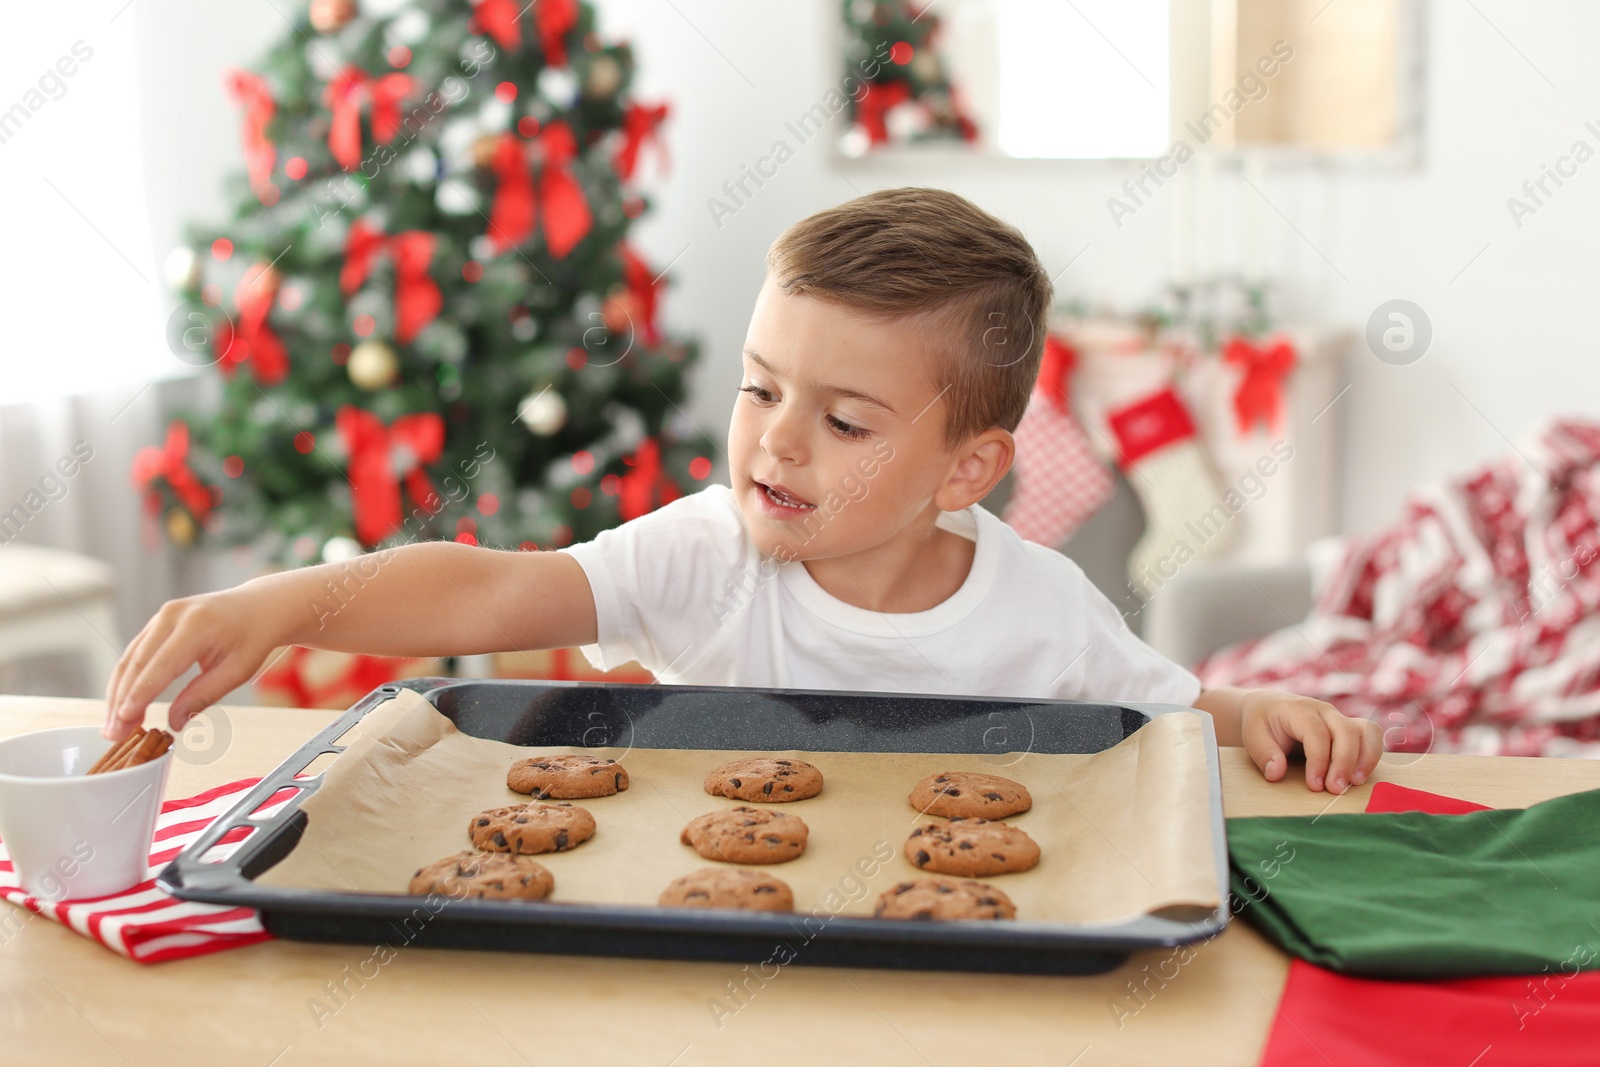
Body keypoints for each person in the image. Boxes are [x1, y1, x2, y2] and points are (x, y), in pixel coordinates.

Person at [105, 187, 1383, 793]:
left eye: (841, 420)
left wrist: (1261, 707)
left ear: (968, 469)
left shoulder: (1044, 606)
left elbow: (1169, 708)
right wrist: (289, 599)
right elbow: (497, 583)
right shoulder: (711, 552)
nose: (775, 443)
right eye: (760, 388)